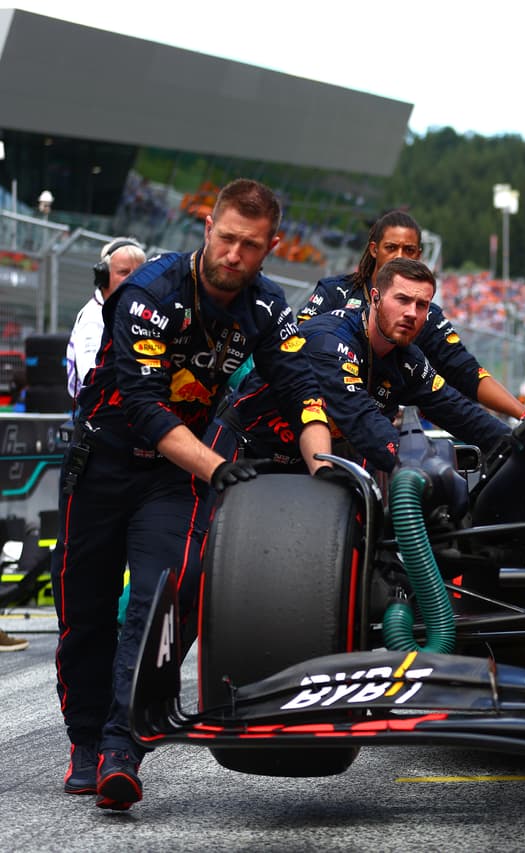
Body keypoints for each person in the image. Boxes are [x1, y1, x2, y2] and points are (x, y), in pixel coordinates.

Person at [54, 179, 333, 811]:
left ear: (271, 247)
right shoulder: (148, 292)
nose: (235, 254)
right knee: (84, 615)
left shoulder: (268, 305)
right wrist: (219, 468)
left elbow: (302, 390)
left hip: (173, 478)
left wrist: (323, 465)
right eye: (227, 238)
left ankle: (121, 748)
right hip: (103, 463)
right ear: (207, 229)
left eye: (250, 245)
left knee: (159, 598)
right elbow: (145, 407)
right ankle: (85, 741)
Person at [219, 257, 510, 471]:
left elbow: (457, 410)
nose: (412, 313)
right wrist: (421, 463)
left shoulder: (408, 359)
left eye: (421, 305)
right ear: (375, 298)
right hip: (242, 449)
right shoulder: (328, 339)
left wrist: (516, 443)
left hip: (306, 464)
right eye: (402, 300)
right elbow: (361, 419)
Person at [299, 211, 525, 420]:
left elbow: (466, 371)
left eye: (408, 250)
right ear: (374, 250)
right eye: (391, 248)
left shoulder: (427, 316)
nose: (399, 257)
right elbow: (299, 347)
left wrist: (524, 414)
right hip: (321, 416)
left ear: (418, 255)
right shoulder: (335, 291)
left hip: (379, 429)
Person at [66, 238, 146, 399]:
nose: (134, 279)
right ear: (104, 276)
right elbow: (91, 377)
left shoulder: (140, 311)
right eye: (124, 272)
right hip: (101, 407)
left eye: (139, 273)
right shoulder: (92, 318)